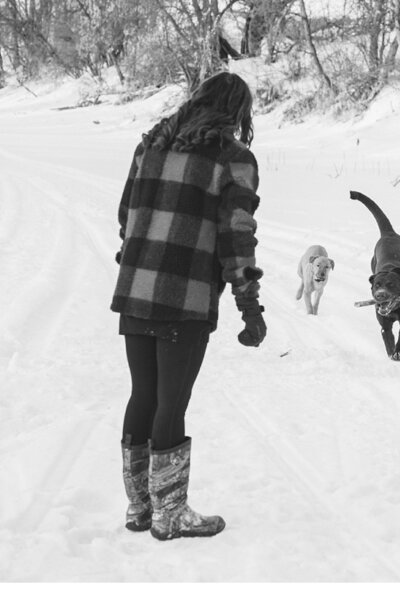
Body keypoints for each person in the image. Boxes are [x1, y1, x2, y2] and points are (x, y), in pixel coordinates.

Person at [111, 71, 267, 541]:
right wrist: (249, 304)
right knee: (171, 402)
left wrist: (135, 255)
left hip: (137, 289)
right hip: (185, 298)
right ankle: (170, 514)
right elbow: (236, 236)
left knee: (144, 394)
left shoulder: (150, 144)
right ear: (236, 112)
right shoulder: (232, 158)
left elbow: (127, 215)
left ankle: (140, 508)